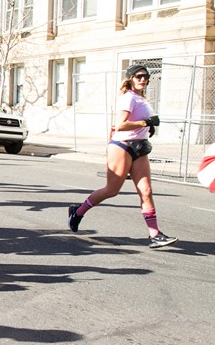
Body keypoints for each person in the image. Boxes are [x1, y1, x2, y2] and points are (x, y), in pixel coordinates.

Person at [66, 63, 177, 249]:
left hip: (140, 148)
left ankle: (155, 235)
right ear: (130, 79)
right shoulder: (128, 98)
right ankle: (78, 212)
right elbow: (120, 125)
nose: (143, 79)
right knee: (112, 190)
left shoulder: (142, 98)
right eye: (139, 76)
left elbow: (138, 123)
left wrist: (148, 127)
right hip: (122, 147)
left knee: (146, 191)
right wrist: (145, 122)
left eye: (146, 76)